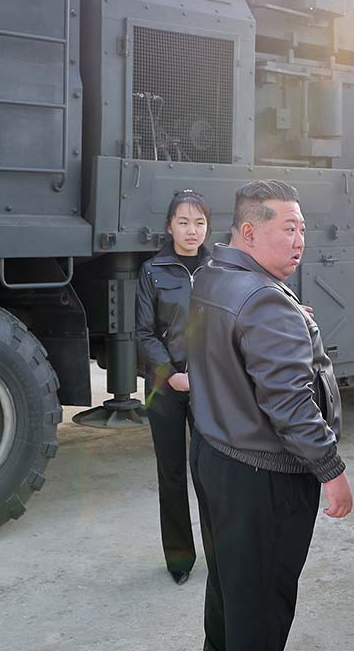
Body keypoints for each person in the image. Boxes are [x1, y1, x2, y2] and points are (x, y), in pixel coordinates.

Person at [187, 179, 353, 650]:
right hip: (264, 478)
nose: (299, 240)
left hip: (217, 454)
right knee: (260, 607)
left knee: (229, 595)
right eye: (288, 228)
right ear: (249, 233)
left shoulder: (214, 274)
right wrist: (331, 469)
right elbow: (290, 403)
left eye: (303, 229)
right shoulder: (263, 299)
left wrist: (285, 315)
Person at [135, 189, 212, 585]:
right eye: (183, 221)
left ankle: (219, 555)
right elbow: (143, 333)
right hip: (164, 386)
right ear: (169, 226)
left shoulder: (218, 268)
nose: (191, 230)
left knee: (213, 473)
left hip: (209, 385)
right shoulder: (153, 271)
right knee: (172, 473)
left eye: (199, 222)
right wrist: (170, 372)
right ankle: (180, 559)